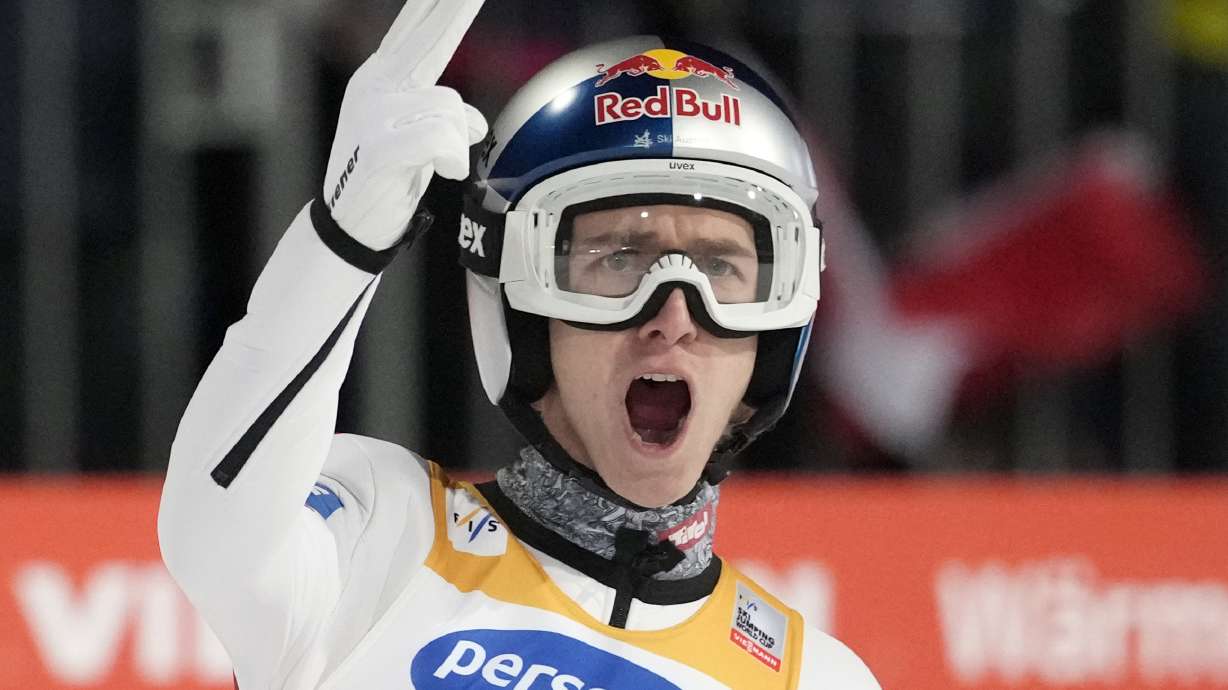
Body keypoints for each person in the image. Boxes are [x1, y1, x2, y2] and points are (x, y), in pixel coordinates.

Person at [158, 1, 880, 688]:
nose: (673, 317)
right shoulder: (383, 528)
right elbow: (213, 538)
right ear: (525, 312)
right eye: (619, 259)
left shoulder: (816, 680)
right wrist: (343, 241)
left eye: (722, 267)